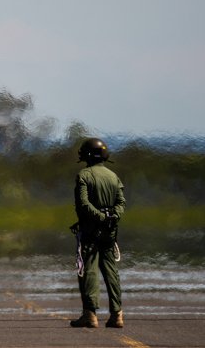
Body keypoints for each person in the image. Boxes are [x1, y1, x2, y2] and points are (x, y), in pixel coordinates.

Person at [70, 138, 126, 329]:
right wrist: (112, 217)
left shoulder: (83, 175)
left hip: (90, 230)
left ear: (85, 155)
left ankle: (90, 314)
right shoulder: (113, 176)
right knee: (111, 271)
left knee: (89, 270)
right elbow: (121, 203)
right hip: (110, 231)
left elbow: (83, 204)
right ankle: (117, 314)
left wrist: (99, 217)